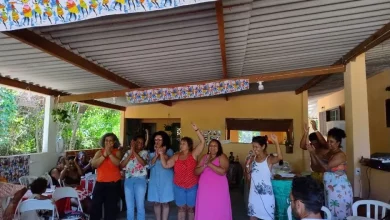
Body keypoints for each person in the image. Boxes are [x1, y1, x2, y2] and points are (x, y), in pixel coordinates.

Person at [160, 123, 205, 220]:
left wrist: (197, 130)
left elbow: (202, 142)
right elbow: (166, 165)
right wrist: (161, 154)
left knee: (190, 209)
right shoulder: (176, 156)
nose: (181, 145)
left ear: (189, 145)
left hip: (192, 186)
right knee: (181, 209)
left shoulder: (193, 154)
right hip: (179, 186)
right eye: (180, 143)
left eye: (183, 143)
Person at [307, 127, 353, 220]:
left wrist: (314, 153)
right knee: (330, 213)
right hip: (330, 189)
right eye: (328, 141)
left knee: (340, 214)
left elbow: (325, 167)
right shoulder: (329, 154)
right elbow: (315, 167)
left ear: (338, 143)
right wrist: (311, 153)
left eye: (331, 142)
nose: (328, 143)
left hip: (340, 190)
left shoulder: (340, 155)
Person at [246, 134, 282, 220]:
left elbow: (280, 158)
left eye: (256, 147)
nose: (254, 149)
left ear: (263, 146)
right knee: (253, 217)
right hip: (253, 195)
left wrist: (276, 142)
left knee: (267, 217)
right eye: (253, 147)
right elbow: (248, 177)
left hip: (266, 196)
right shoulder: (253, 160)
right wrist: (248, 165)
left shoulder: (268, 159)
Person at [194, 139, 232, 220]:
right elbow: (196, 172)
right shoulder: (205, 157)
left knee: (218, 207)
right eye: (211, 146)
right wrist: (204, 166)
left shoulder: (222, 156)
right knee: (205, 208)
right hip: (205, 189)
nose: (212, 147)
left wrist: (209, 164)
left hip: (218, 189)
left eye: (215, 146)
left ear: (219, 147)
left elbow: (223, 171)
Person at [90, 133, 122, 220]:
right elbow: (94, 164)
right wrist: (104, 155)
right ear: (104, 142)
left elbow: (118, 163)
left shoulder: (117, 152)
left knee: (111, 210)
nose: (108, 142)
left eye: (110, 141)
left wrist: (110, 154)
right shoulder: (99, 152)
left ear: (114, 142)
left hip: (113, 185)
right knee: (95, 207)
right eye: (106, 140)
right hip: (100, 184)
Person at [147, 131, 174, 220]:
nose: (157, 141)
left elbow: (169, 162)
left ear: (164, 140)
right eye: (156, 139)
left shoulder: (169, 150)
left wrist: (162, 152)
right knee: (156, 202)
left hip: (166, 179)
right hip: (154, 179)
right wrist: (156, 154)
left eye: (160, 139)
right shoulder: (150, 151)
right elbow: (149, 165)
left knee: (165, 202)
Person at [120, 135, 148, 220]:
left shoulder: (144, 152)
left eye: (142, 143)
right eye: (138, 142)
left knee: (140, 205)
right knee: (130, 206)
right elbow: (121, 165)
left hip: (141, 180)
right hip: (128, 181)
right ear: (134, 142)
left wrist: (134, 153)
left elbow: (143, 163)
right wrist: (130, 153)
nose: (140, 144)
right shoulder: (127, 152)